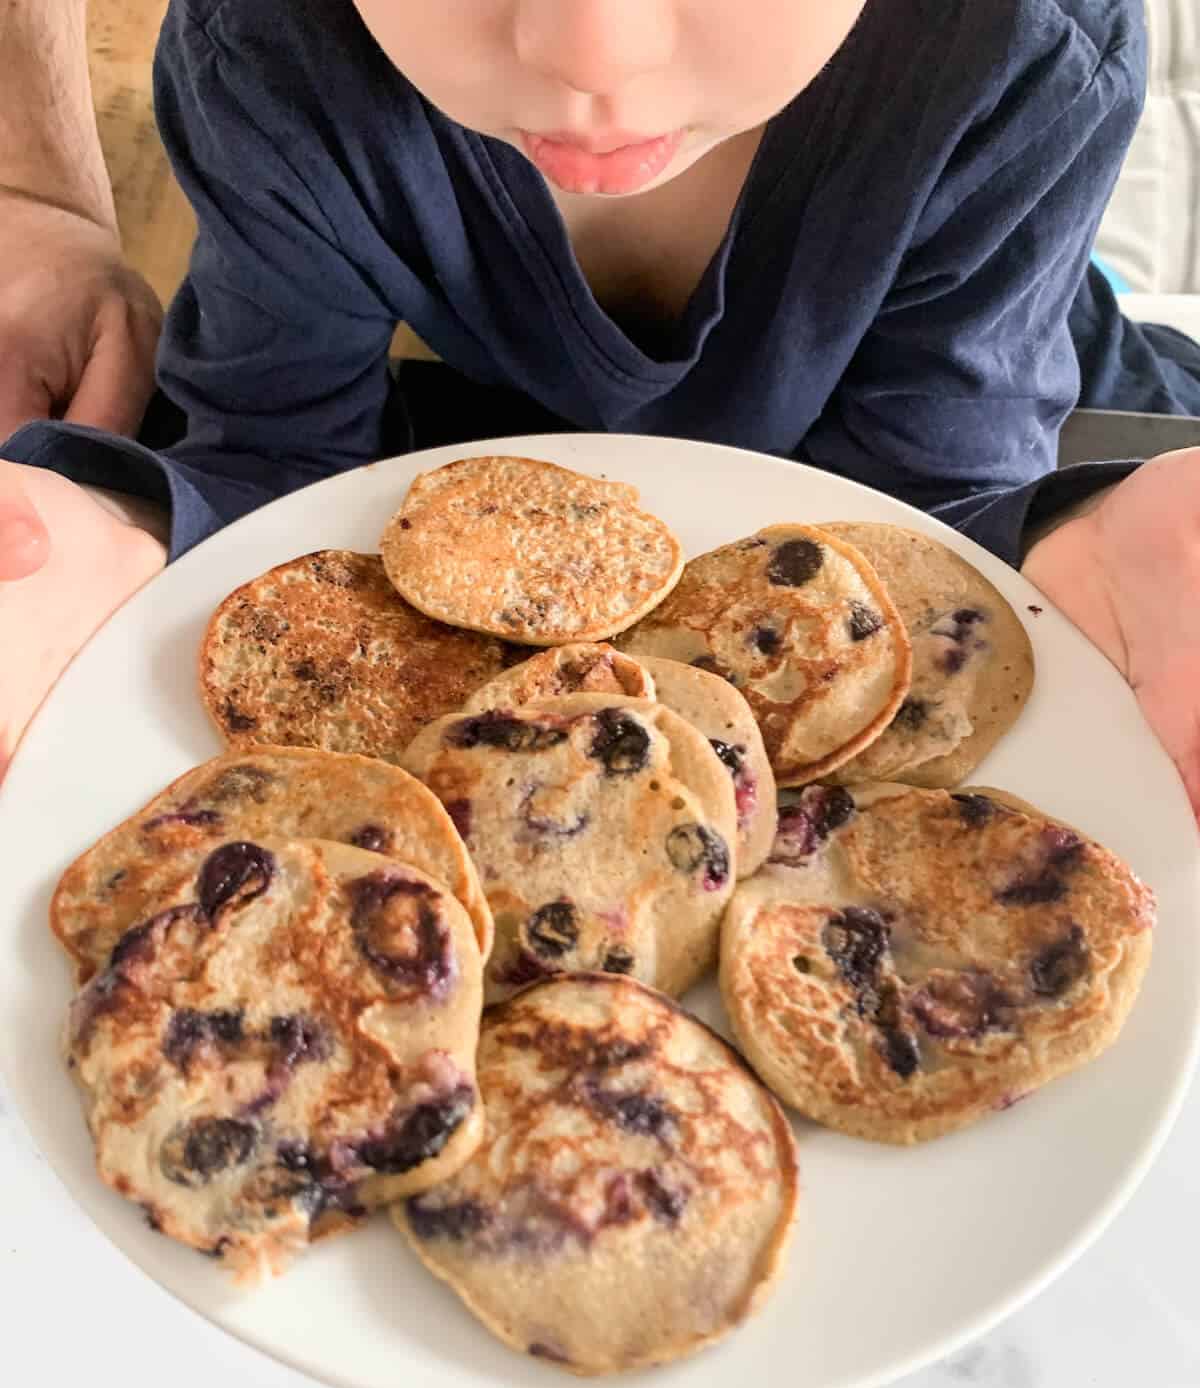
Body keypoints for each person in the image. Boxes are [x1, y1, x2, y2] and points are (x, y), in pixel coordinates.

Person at [1, 0, 1198, 810]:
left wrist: (1074, 552)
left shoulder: (1020, 52)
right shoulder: (274, 57)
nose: (594, 55)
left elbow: (926, 524)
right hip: (483, 432)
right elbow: (272, 469)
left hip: (990, 375)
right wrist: (114, 541)